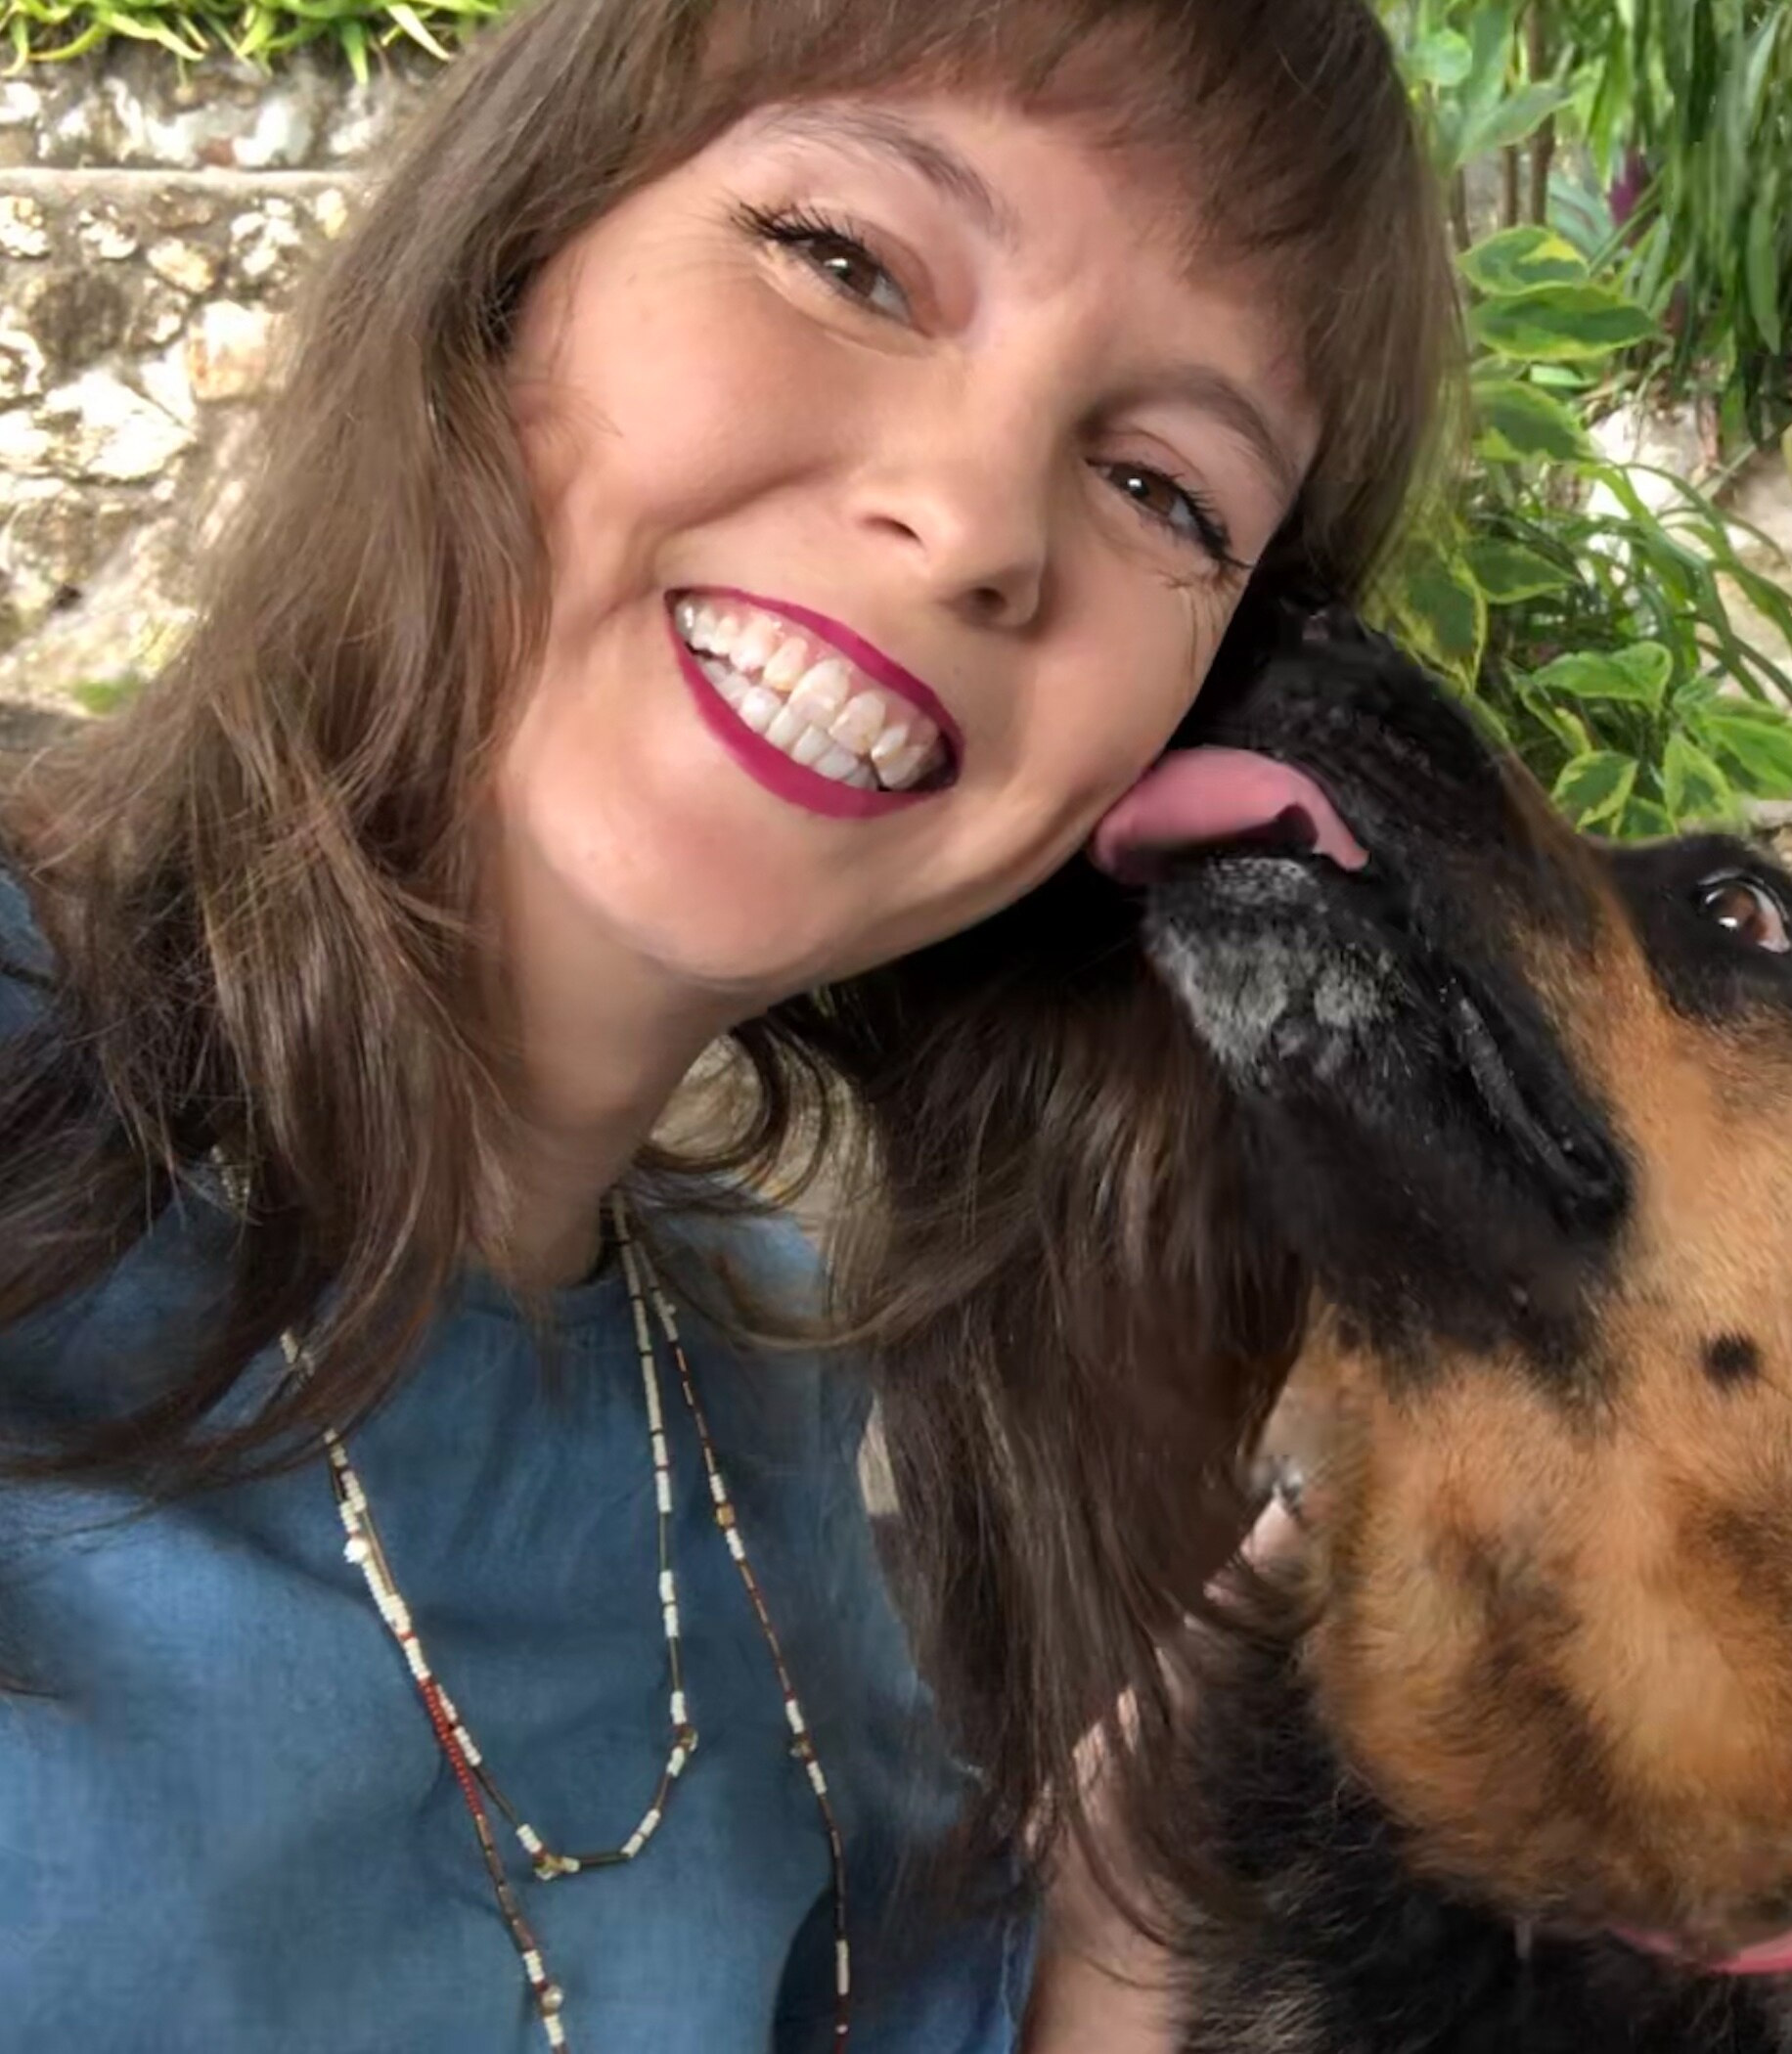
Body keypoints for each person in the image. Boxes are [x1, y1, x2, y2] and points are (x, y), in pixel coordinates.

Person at [0, 0, 1455, 2047]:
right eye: (847, 262)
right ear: (522, 247)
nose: (975, 524)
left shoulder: (748, 1386)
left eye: (1159, 485)